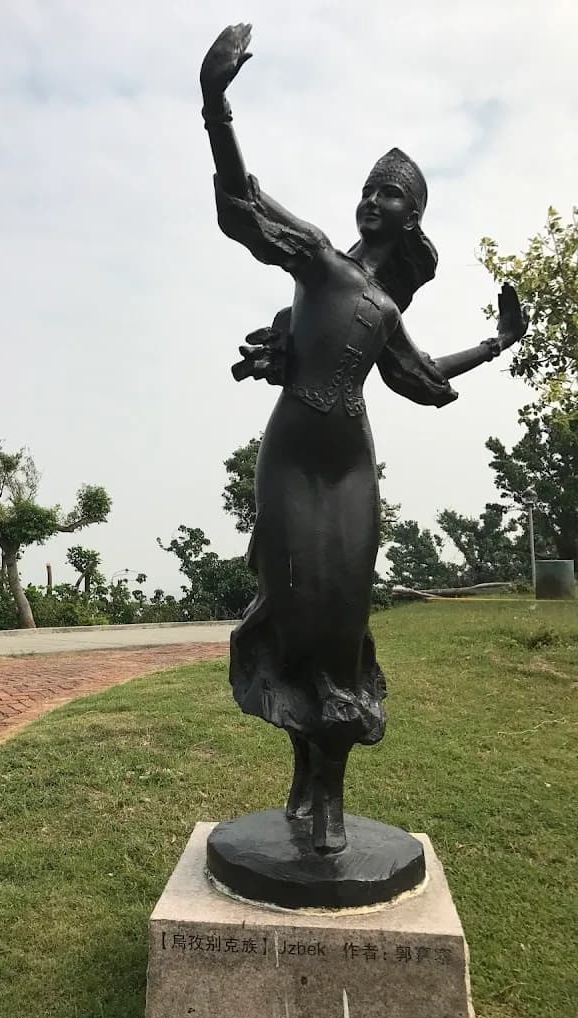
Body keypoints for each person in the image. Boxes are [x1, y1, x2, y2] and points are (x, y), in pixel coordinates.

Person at [200, 24, 528, 853]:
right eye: (367, 188)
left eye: (387, 194)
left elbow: (422, 379)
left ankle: (329, 787)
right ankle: (298, 769)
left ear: (409, 216)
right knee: (293, 612)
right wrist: (216, 107)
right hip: (290, 464)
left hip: (352, 472)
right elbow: (244, 209)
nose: (369, 200)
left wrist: (498, 345)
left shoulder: (384, 310)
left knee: (342, 625)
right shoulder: (317, 258)